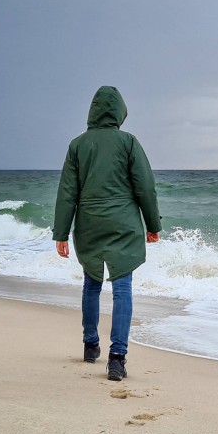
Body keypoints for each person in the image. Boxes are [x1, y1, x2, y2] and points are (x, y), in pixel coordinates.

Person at [53, 86, 162, 382]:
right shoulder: (129, 142)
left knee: (91, 284)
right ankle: (117, 358)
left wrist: (60, 233)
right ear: (119, 111)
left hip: (89, 222)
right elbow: (145, 187)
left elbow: (67, 193)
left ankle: (90, 345)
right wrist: (153, 225)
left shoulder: (77, 145)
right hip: (123, 223)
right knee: (122, 288)